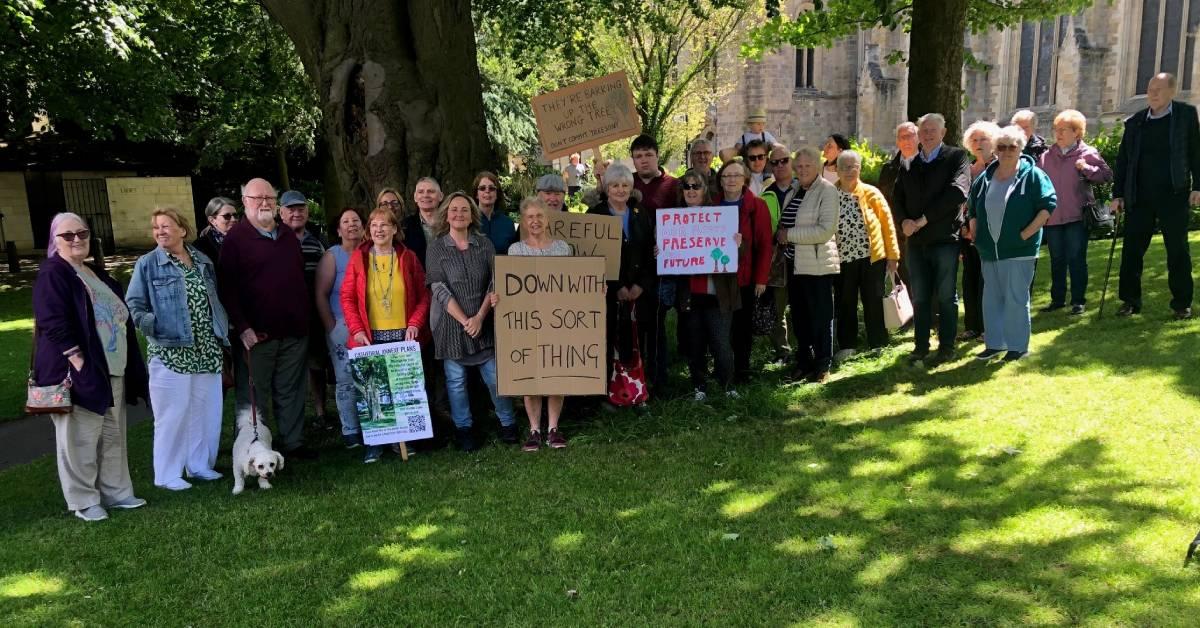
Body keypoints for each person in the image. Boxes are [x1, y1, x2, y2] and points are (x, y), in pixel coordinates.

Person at [33, 212, 148, 521]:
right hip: (78, 373)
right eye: (68, 235)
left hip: (113, 367)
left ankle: (117, 492)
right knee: (80, 438)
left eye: (81, 234)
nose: (76, 240)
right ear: (54, 240)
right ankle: (84, 501)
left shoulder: (95, 272)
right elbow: (53, 322)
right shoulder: (54, 273)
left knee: (112, 434)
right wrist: (79, 361)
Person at [126, 208, 228, 490]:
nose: (160, 231)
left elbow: (213, 300)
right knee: (172, 415)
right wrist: (155, 326)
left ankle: (198, 465)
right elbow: (134, 305)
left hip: (206, 349)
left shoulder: (202, 260)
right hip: (171, 352)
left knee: (204, 411)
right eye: (156, 227)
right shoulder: (148, 264)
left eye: (166, 226)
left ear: (182, 230)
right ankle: (167, 474)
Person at [218, 177, 314, 458]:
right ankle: (253, 448)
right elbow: (227, 289)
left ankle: (293, 443)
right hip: (256, 335)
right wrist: (243, 326)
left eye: (269, 198)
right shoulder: (235, 239)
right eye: (257, 198)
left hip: (294, 330)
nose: (264, 203)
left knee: (291, 390)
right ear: (245, 203)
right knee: (254, 396)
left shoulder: (286, 235)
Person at [425, 192, 516, 451]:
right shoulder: (436, 247)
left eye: (464, 210)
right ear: (446, 214)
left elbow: (494, 281)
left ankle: (507, 423)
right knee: (456, 383)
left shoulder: (484, 244)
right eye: (454, 210)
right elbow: (438, 288)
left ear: (472, 214)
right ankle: (464, 429)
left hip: (483, 322)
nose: (459, 214)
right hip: (451, 326)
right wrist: (466, 320)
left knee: (495, 378)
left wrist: (479, 317)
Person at [340, 207, 431, 463]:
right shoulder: (359, 258)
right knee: (373, 390)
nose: (379, 230)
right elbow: (346, 297)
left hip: (404, 334)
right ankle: (376, 442)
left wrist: (415, 322)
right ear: (369, 231)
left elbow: (424, 296)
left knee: (403, 389)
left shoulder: (408, 257)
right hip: (370, 335)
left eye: (384, 225)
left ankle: (403, 440)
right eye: (374, 225)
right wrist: (356, 329)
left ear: (394, 229)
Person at [1113, 72, 1200, 320]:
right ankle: (1130, 301)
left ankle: (1182, 303)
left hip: (1173, 193)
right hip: (1139, 196)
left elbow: (1196, 152)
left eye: (1158, 89)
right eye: (1150, 89)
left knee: (1178, 250)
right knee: (1131, 251)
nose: (1151, 93)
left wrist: (1198, 186)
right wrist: (1118, 194)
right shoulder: (1136, 121)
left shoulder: (1185, 116)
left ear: (1172, 92)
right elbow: (1124, 161)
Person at [966, 125, 1057, 361]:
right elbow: (972, 207)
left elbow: (1048, 206)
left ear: (1020, 148)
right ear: (995, 150)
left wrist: (1026, 234)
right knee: (991, 299)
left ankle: (1018, 346)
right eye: (1002, 147)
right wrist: (975, 229)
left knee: (1016, 299)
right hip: (989, 249)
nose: (1006, 151)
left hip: (1019, 250)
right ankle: (995, 344)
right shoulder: (985, 178)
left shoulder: (1033, 174)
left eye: (1012, 147)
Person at [892, 113, 971, 365]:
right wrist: (903, 220)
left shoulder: (956, 157)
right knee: (921, 297)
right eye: (923, 130)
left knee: (947, 296)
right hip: (916, 243)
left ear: (943, 132)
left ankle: (947, 346)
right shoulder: (909, 164)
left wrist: (923, 220)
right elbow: (898, 198)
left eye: (932, 130)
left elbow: (957, 192)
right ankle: (920, 346)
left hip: (944, 239)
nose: (927, 135)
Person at [502, 197, 573, 450]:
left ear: (548, 219)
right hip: (527, 322)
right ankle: (534, 429)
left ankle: (553, 428)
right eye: (530, 217)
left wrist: (593, 292)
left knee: (556, 372)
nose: (535, 221)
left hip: (557, 321)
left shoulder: (563, 249)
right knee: (529, 375)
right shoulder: (515, 251)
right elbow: (510, 287)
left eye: (539, 216)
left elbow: (574, 286)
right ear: (522, 221)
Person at [587, 163, 656, 396]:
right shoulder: (596, 214)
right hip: (608, 294)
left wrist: (640, 286)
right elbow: (590, 256)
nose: (620, 190)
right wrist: (616, 287)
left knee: (638, 342)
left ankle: (636, 391)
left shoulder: (640, 213)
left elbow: (650, 252)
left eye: (625, 185)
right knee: (608, 342)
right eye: (615, 185)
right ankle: (609, 392)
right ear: (606, 188)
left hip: (638, 292)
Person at [1037, 109, 1113, 315]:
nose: (1058, 133)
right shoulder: (1045, 157)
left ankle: (1078, 300)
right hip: (1053, 218)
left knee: (1076, 259)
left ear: (1077, 132)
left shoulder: (1087, 153)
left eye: (1063, 130)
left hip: (1077, 216)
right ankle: (1057, 300)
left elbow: (1106, 176)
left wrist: (1087, 168)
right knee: (1056, 260)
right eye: (1056, 129)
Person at [675, 170, 741, 401]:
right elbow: (668, 257)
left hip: (717, 293)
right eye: (687, 186)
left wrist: (736, 244)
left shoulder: (720, 216)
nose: (691, 190)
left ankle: (728, 385)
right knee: (695, 344)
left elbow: (735, 256)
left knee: (721, 343)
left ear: (705, 189)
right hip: (690, 294)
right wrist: (660, 251)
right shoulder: (672, 220)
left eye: (696, 186)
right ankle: (699, 386)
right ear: (682, 191)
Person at [832, 150, 900, 360]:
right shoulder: (829, 194)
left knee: (873, 300)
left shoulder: (871, 193)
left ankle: (878, 342)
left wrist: (893, 255)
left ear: (859, 169)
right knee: (845, 302)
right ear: (836, 170)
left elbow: (887, 225)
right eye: (844, 167)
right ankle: (847, 345)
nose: (849, 171)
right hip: (842, 259)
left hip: (872, 257)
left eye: (853, 166)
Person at [780, 147, 840, 382]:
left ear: (817, 166)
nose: (803, 170)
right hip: (795, 266)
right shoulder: (794, 190)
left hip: (818, 266)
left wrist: (789, 235)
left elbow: (825, 230)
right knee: (800, 318)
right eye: (800, 166)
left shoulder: (827, 191)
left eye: (808, 165)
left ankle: (823, 365)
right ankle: (804, 362)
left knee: (821, 318)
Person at [715, 161, 773, 383]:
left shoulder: (756, 206)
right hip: (718, 276)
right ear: (720, 180)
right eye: (726, 176)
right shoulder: (713, 204)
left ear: (745, 179)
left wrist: (761, 279)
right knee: (721, 326)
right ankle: (723, 368)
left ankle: (742, 370)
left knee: (741, 327)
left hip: (745, 278)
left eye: (736, 175)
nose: (731, 180)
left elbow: (765, 245)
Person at [279, 189, 331, 432]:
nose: (296, 213)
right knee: (289, 370)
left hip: (314, 315)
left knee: (316, 365)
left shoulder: (318, 240)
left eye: (300, 209)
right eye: (291, 209)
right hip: (285, 317)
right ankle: (291, 420)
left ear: (307, 212)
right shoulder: (273, 239)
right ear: (281, 213)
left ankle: (321, 412)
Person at [314, 208, 365, 450]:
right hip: (341, 324)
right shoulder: (332, 256)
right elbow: (321, 294)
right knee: (345, 379)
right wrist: (331, 327)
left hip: (369, 325)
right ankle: (350, 430)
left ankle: (372, 426)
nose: (352, 225)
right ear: (338, 229)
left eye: (356, 220)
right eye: (346, 221)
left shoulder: (371, 252)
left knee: (368, 377)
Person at [960, 120, 1003, 341]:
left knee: (988, 282)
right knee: (970, 278)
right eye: (974, 140)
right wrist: (965, 227)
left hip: (991, 233)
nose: (978, 143)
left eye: (983, 139)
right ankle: (972, 326)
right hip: (968, 234)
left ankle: (989, 327)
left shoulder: (1000, 168)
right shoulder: (967, 169)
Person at [761, 143, 801, 363]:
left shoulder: (805, 188)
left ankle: (807, 348)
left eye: (784, 160)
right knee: (777, 308)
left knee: (803, 306)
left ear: (792, 162)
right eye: (774, 162)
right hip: (776, 260)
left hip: (803, 257)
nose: (780, 165)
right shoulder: (767, 194)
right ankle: (783, 352)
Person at [877, 121, 920, 287]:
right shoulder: (888, 169)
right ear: (897, 142)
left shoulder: (929, 166)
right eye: (902, 137)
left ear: (918, 139)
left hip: (921, 232)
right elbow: (882, 200)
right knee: (900, 281)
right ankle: (904, 313)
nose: (906, 140)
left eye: (910, 136)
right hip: (895, 233)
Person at [630, 134, 678, 211]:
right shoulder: (625, 184)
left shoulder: (675, 185)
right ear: (633, 160)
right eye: (638, 156)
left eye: (648, 155)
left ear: (657, 156)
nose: (644, 161)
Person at [473, 171, 517, 254]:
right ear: (476, 194)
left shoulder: (508, 223)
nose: (487, 191)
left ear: (497, 194)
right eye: (482, 188)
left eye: (492, 188)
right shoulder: (468, 220)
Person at [403, 177, 443, 268]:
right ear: (415, 197)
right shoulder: (405, 226)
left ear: (441, 196)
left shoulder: (451, 224)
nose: (425, 195)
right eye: (421, 192)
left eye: (431, 191)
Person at [193, 196, 238, 264]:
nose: (233, 219)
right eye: (227, 216)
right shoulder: (200, 247)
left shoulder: (244, 239)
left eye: (235, 215)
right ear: (212, 220)